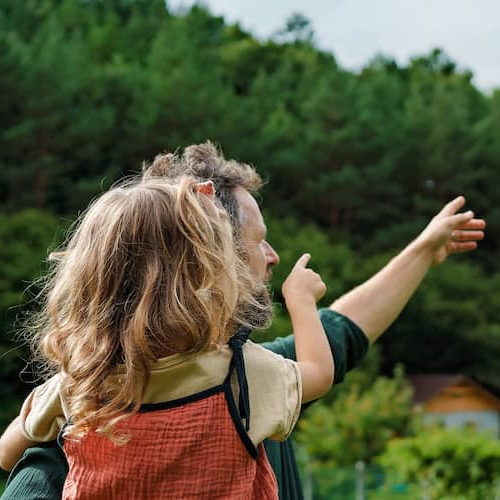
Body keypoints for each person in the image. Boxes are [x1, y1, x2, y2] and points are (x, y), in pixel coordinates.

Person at [1, 143, 486, 500]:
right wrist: (301, 301)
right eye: (259, 241)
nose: (274, 257)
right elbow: (321, 361)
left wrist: (422, 251)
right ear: (213, 260)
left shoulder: (77, 397)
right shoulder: (247, 384)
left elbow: (343, 328)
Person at [0, 174, 334, 498]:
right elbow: (318, 373)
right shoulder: (238, 375)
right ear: (208, 280)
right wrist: (301, 301)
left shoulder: (80, 385)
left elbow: (6, 453)